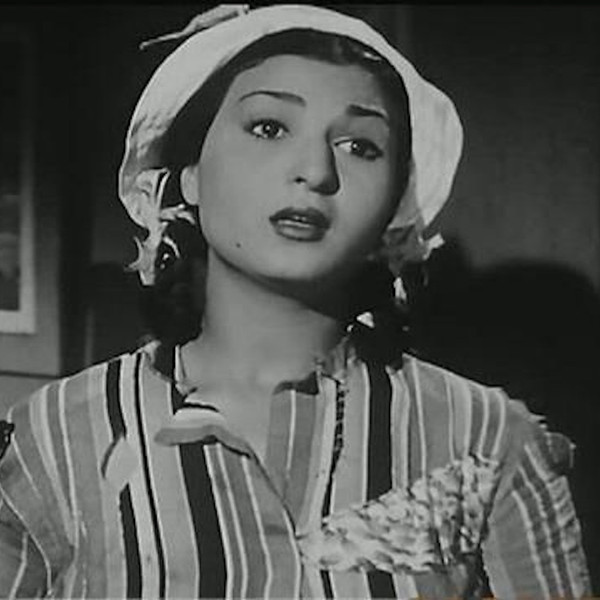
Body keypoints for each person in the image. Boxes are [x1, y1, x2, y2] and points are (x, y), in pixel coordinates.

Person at [0, 5, 591, 598]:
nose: (315, 170)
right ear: (190, 175)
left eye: (360, 145)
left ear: (394, 203)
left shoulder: (484, 437)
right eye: (268, 128)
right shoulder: (56, 436)